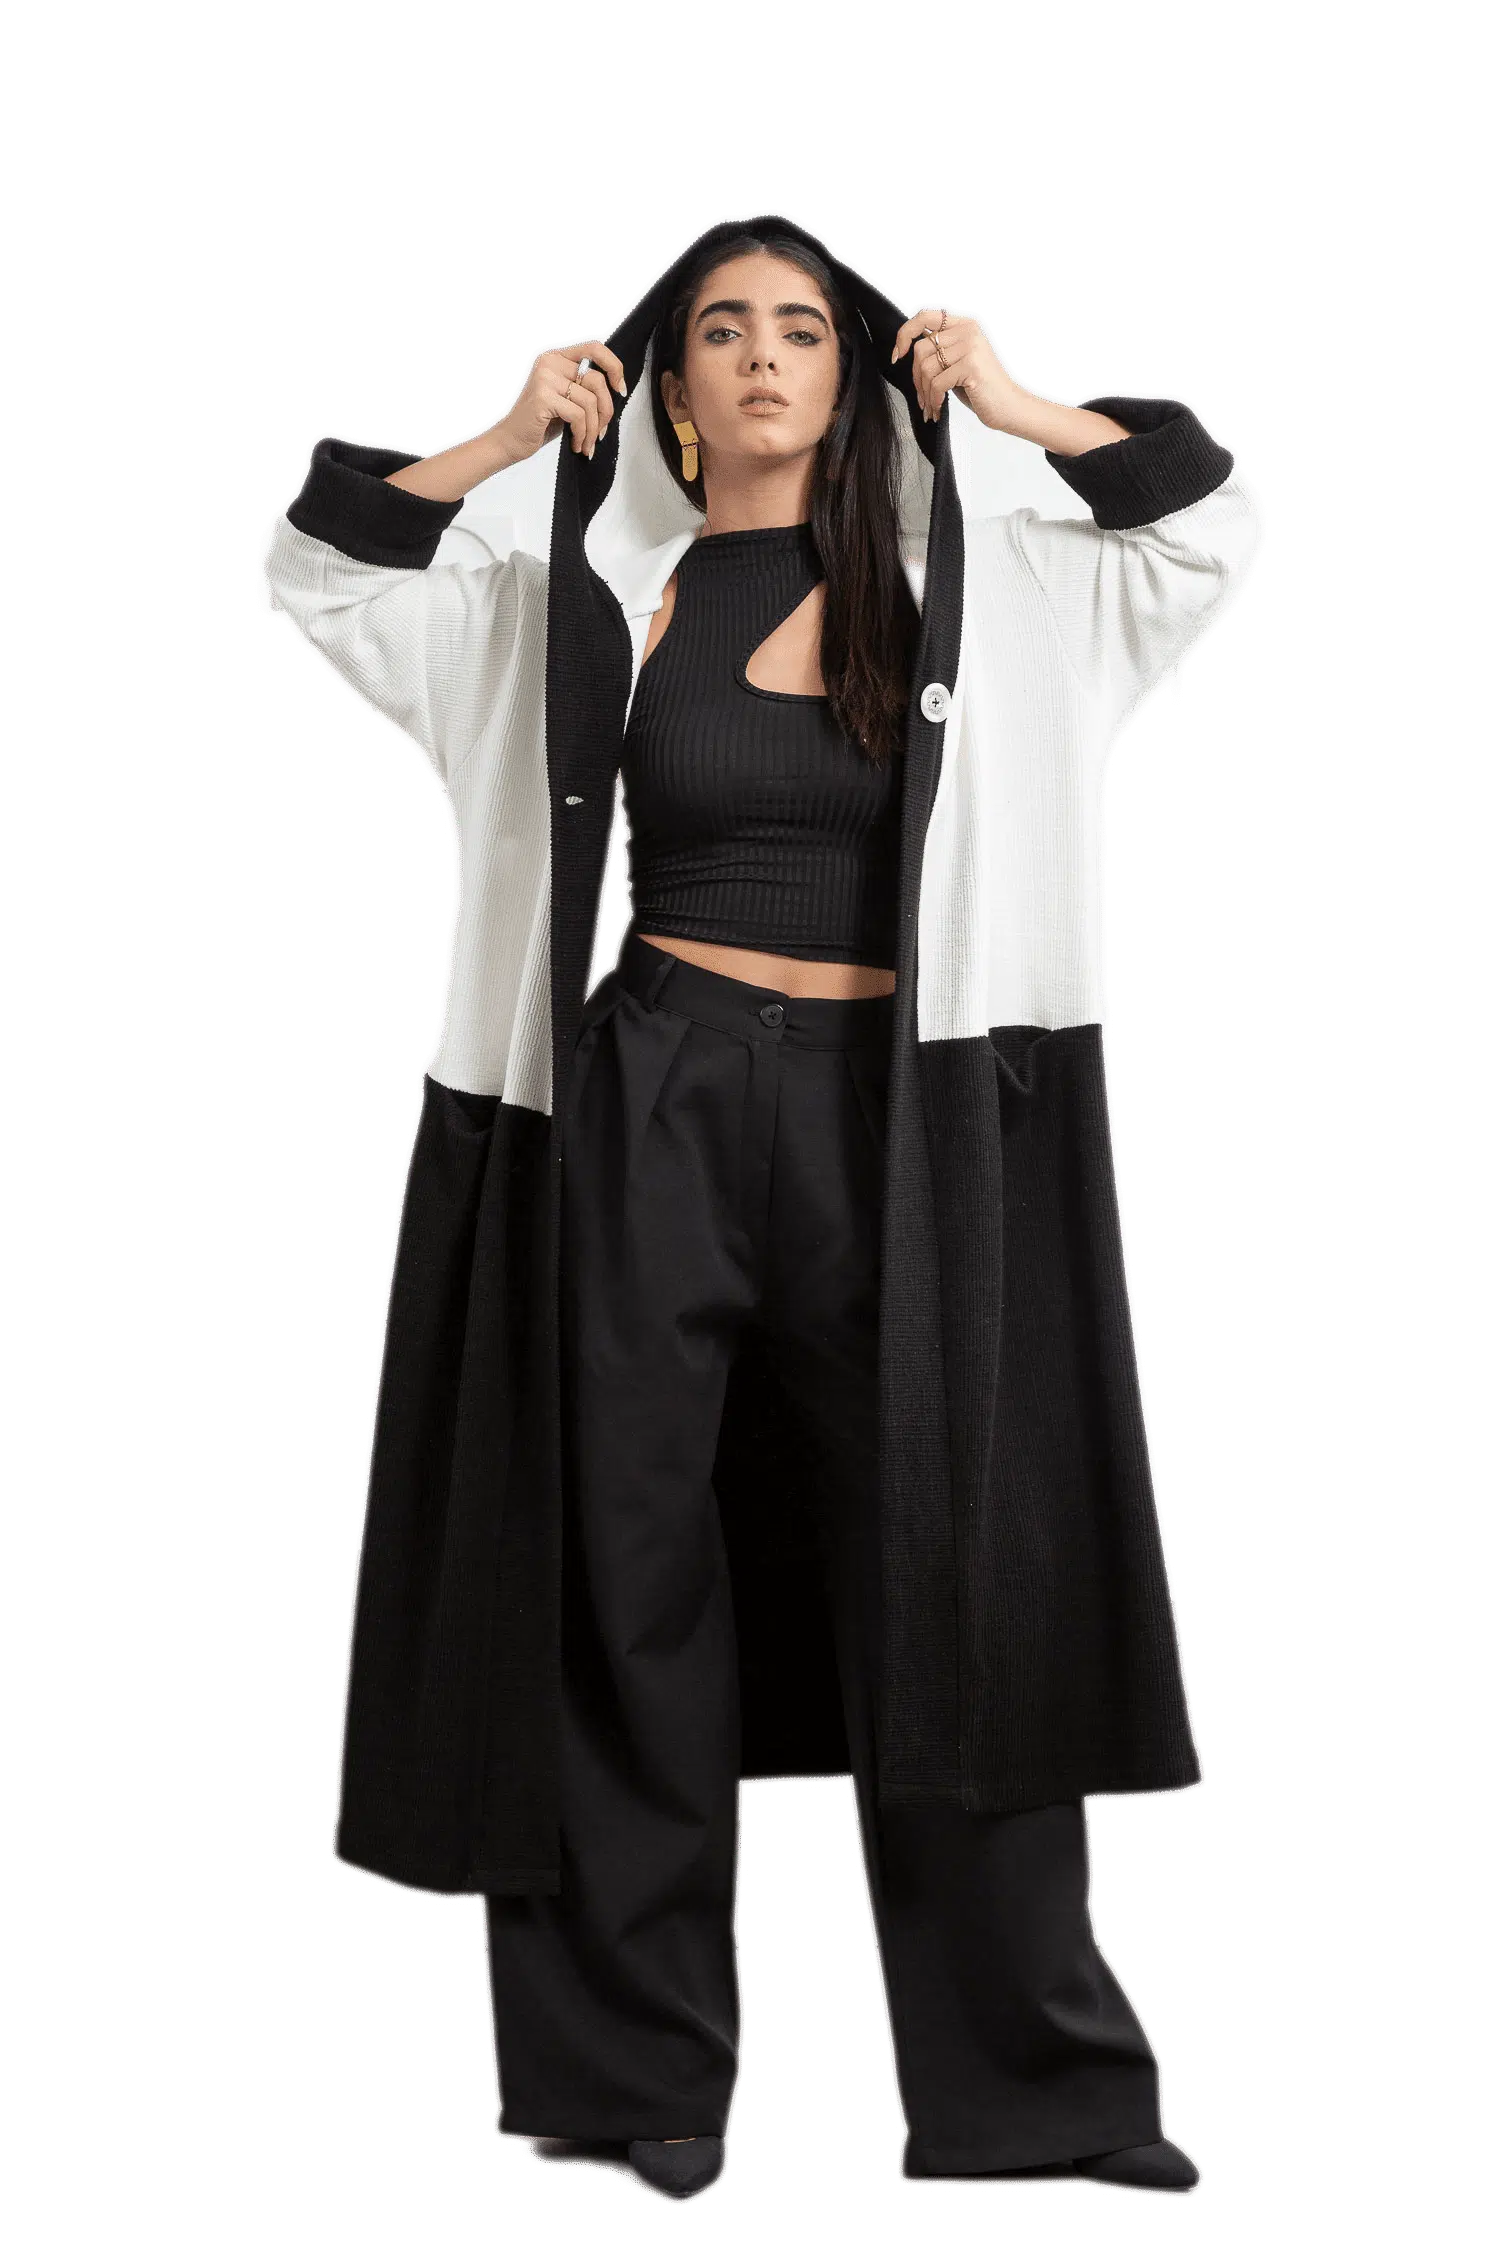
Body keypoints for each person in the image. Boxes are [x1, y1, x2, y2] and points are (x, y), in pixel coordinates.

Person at [256, 213, 1265, 2205]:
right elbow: (322, 573)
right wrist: (497, 445)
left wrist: (1016, 404)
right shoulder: (586, 589)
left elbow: (1204, 527)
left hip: (910, 1119)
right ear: (671, 388)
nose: (763, 356)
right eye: (719, 330)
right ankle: (633, 2085)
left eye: (803, 327)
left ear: (854, 371)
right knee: (618, 1567)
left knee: (961, 1574)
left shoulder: (990, 587)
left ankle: (1037, 2095)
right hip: (654, 1100)